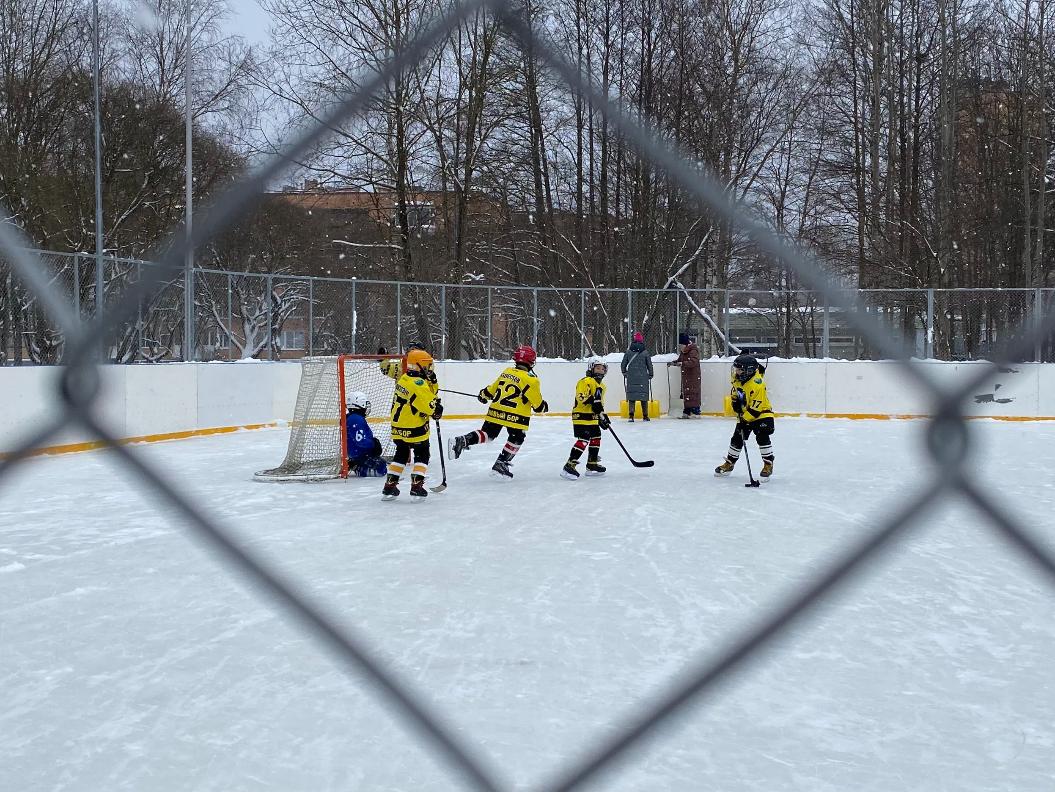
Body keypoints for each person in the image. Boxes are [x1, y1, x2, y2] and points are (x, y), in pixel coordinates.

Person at [448, 344, 548, 479]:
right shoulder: (531, 380)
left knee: (488, 434)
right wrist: (543, 407)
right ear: (531, 361)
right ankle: (502, 462)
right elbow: (538, 406)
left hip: (496, 411)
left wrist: (483, 395)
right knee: (517, 437)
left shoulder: (507, 372)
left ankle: (463, 440)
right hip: (516, 415)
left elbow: (491, 390)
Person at [382, 348, 442, 500]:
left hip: (397, 428)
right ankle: (417, 485)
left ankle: (390, 485)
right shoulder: (419, 384)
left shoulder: (404, 378)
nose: (430, 368)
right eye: (427, 365)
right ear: (420, 365)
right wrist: (437, 409)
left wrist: (433, 382)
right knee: (423, 453)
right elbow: (429, 405)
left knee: (401, 453)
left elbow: (429, 393)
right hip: (414, 427)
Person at [714, 353, 775, 481]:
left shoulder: (757, 384)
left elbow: (756, 408)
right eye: (736, 368)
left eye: (739, 369)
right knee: (736, 439)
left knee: (762, 436)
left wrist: (744, 419)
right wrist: (735, 401)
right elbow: (736, 391)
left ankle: (768, 464)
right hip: (745, 414)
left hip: (762, 414)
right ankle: (729, 463)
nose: (736, 371)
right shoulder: (738, 378)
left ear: (749, 370)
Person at [561, 358, 609, 480]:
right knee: (584, 438)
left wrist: (602, 416)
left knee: (596, 436)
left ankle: (592, 464)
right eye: (598, 368)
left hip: (592, 418)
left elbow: (599, 405)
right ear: (591, 368)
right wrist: (593, 402)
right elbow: (581, 397)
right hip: (581, 416)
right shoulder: (585, 381)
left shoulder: (602, 386)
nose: (600, 370)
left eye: (603, 369)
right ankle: (569, 465)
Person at [345, 391, 386, 477]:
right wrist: (373, 444)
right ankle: (357, 467)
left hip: (359, 453)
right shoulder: (355, 419)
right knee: (381, 469)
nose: (367, 406)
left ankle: (355, 463)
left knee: (381, 462)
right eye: (365, 403)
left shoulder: (353, 417)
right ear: (359, 403)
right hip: (360, 454)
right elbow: (360, 441)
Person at [621, 331, 654, 422]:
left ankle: (631, 416)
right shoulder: (645, 352)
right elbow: (649, 365)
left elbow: (623, 364)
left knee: (632, 397)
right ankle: (645, 416)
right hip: (643, 377)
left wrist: (625, 373)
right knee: (643, 396)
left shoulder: (628, 352)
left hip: (631, 377)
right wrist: (650, 374)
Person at [668, 333, 701, 418]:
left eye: (681, 345)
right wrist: (673, 363)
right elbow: (680, 360)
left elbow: (694, 362)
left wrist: (683, 363)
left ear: (685, 344)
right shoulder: (684, 352)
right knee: (687, 394)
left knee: (693, 393)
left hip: (693, 376)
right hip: (686, 377)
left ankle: (695, 411)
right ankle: (687, 411)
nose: (680, 347)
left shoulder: (693, 350)